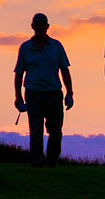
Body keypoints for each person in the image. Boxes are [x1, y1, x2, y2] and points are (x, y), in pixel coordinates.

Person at [14, 13, 74, 168]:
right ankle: (37, 162)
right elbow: (19, 73)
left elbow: (64, 70)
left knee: (55, 130)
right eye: (37, 25)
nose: (40, 28)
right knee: (36, 130)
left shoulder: (56, 46)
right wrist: (18, 97)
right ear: (33, 26)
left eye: (43, 25)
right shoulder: (26, 48)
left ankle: (52, 160)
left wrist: (70, 93)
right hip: (33, 94)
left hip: (54, 93)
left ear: (47, 27)